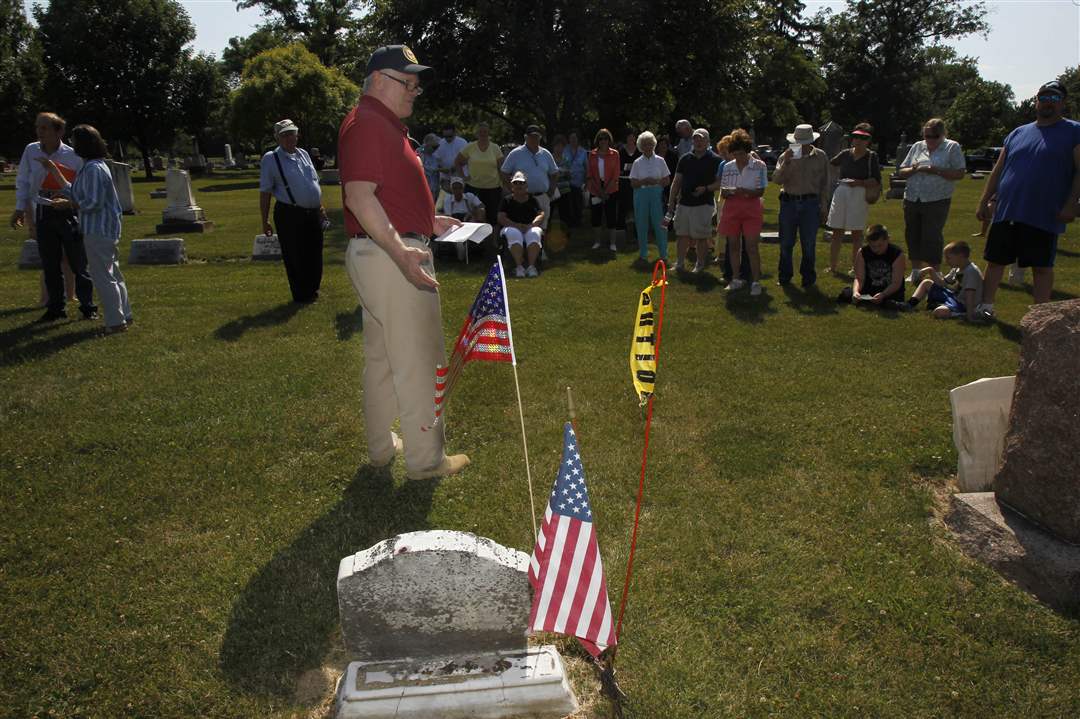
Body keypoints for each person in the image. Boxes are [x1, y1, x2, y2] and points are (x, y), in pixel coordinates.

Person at [338, 44, 469, 480]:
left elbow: (383, 195)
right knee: (419, 358)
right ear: (378, 80)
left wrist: (428, 220)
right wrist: (403, 252)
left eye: (417, 83)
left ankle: (381, 448)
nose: (415, 90)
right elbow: (359, 196)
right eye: (406, 81)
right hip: (391, 257)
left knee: (381, 357)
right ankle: (426, 461)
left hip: (380, 252)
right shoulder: (371, 123)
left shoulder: (379, 125)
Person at [976, 80, 1080, 315]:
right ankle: (986, 307)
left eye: (1054, 99)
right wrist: (984, 200)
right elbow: (999, 170)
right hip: (1008, 208)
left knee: (1041, 266)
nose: (1047, 102)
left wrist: (1071, 204)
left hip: (1044, 210)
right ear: (1036, 101)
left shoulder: (1074, 131)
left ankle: (1039, 317)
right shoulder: (1018, 133)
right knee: (995, 261)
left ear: (1063, 103)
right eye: (1043, 97)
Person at [39, 124, 131, 333]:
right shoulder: (91, 166)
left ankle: (115, 322)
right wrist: (54, 170)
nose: (71, 144)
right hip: (102, 228)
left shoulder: (93, 169)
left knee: (103, 276)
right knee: (113, 273)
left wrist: (68, 205)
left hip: (98, 229)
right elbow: (76, 192)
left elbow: (92, 203)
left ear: (83, 143)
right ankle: (124, 315)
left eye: (74, 140)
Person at [14, 111, 97, 323]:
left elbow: (82, 186)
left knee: (78, 262)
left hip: (68, 210)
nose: (39, 132)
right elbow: (23, 180)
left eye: (44, 128)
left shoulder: (73, 155)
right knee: (50, 263)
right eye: (37, 128)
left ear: (58, 131)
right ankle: (55, 307)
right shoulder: (31, 150)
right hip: (43, 211)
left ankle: (88, 307)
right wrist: (20, 208)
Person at [260, 118, 328, 304]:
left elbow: (312, 182)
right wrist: (264, 220)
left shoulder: (303, 154)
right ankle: (301, 294)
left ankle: (313, 289)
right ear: (277, 138)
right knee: (295, 254)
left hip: (312, 211)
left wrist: (320, 207)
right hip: (290, 213)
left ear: (297, 134)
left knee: (314, 251)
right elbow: (265, 191)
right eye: (284, 135)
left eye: (292, 133)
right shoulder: (271, 159)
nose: (289, 137)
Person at [896, 118, 966, 283]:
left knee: (932, 236)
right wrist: (914, 169)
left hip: (937, 199)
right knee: (912, 233)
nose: (930, 140)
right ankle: (915, 270)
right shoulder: (917, 146)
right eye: (927, 135)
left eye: (934, 136)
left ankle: (935, 272)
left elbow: (960, 173)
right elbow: (902, 171)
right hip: (913, 197)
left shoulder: (952, 147)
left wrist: (937, 171)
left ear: (942, 134)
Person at [710, 129, 767, 295]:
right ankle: (736, 278)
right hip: (732, 207)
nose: (738, 157)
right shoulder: (728, 167)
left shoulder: (759, 166)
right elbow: (724, 190)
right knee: (733, 244)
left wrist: (747, 192)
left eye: (741, 153)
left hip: (751, 208)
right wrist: (728, 192)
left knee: (751, 246)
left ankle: (755, 281)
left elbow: (761, 191)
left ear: (747, 151)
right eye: (735, 154)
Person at [772, 122, 830, 287]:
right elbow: (776, 179)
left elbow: (825, 184)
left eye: (805, 143)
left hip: (811, 204)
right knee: (786, 242)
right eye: (799, 143)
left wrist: (824, 206)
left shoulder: (821, 157)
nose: (802, 146)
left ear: (811, 142)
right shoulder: (786, 156)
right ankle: (784, 277)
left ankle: (808, 278)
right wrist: (786, 163)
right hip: (788, 202)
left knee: (809, 243)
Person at [826, 123, 881, 277]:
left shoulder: (871, 157)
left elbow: (876, 180)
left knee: (856, 232)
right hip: (842, 191)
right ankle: (833, 266)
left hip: (859, 193)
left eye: (862, 137)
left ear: (868, 140)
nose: (858, 140)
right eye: (856, 136)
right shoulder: (845, 154)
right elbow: (830, 163)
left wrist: (860, 183)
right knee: (837, 230)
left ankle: (855, 266)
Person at [668, 128, 721, 273]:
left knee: (701, 236)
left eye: (701, 139)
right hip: (684, 203)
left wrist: (706, 188)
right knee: (681, 234)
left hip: (704, 203)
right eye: (696, 139)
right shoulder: (685, 158)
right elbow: (676, 181)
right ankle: (679, 263)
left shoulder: (715, 160)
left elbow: (720, 183)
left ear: (708, 141)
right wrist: (671, 201)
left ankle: (700, 264)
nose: (698, 142)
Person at [906, 240, 984, 320]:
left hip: (963, 305)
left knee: (940, 312)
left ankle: (960, 314)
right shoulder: (957, 268)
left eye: (948, 258)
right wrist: (930, 270)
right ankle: (910, 304)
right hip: (954, 298)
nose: (946, 262)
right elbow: (942, 283)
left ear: (961, 256)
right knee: (927, 282)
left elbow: (970, 295)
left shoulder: (971, 272)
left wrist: (969, 316)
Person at [500, 125, 558, 230]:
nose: (534, 139)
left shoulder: (546, 154)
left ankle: (541, 247)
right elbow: (504, 172)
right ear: (525, 137)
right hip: (522, 199)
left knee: (542, 228)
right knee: (522, 228)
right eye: (531, 136)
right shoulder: (516, 153)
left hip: (542, 197)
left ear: (540, 137)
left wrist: (551, 191)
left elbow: (554, 173)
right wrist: (512, 189)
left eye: (536, 136)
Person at [838, 224, 908, 310]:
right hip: (869, 289)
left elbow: (896, 283)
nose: (876, 249)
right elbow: (859, 278)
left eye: (880, 245)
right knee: (847, 294)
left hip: (889, 290)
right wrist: (856, 291)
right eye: (873, 246)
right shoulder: (863, 252)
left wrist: (883, 294)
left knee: (890, 303)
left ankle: (889, 303)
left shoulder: (897, 254)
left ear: (887, 240)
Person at [454, 121, 503, 238]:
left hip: (493, 187)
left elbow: (502, 168)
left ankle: (493, 242)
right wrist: (463, 177)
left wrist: (505, 184)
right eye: (480, 132)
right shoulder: (470, 147)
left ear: (488, 133)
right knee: (472, 215)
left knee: (493, 217)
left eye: (485, 132)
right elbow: (457, 162)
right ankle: (472, 242)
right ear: (477, 133)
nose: (483, 134)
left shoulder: (495, 148)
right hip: (473, 187)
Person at [628, 130, 670, 264]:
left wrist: (656, 182)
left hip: (656, 194)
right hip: (641, 194)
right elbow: (633, 183)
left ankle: (663, 253)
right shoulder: (637, 162)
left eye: (650, 144)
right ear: (640, 146)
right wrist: (644, 181)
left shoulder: (660, 160)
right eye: (645, 144)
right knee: (641, 223)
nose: (648, 146)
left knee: (660, 224)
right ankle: (643, 253)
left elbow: (667, 180)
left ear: (654, 144)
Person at [498, 171, 545, 278]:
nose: (518, 185)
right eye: (516, 183)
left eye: (521, 183)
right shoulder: (507, 200)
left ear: (526, 185)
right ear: (512, 185)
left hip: (529, 227)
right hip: (511, 227)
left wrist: (532, 225)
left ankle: (531, 266)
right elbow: (501, 217)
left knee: (535, 234)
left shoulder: (532, 200)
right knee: (514, 234)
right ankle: (519, 267)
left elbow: (541, 214)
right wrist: (515, 225)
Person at [586, 128, 620, 251]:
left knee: (611, 216)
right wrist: (599, 190)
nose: (603, 141)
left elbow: (616, 175)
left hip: (611, 188)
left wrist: (605, 191)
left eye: (605, 138)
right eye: (601, 138)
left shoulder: (615, 154)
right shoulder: (592, 154)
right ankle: (597, 242)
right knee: (596, 217)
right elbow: (589, 174)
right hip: (595, 188)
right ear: (598, 140)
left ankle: (612, 243)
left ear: (609, 140)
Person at [563, 131, 588, 226]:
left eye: (574, 138)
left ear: (578, 139)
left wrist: (586, 180)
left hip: (578, 181)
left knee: (578, 202)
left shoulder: (583, 151)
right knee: (568, 202)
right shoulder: (565, 150)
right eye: (571, 138)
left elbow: (586, 167)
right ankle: (568, 221)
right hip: (566, 180)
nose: (573, 140)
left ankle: (578, 221)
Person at [618, 130, 640, 235]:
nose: (631, 139)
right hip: (624, 182)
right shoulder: (621, 151)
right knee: (623, 206)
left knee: (636, 206)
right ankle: (622, 229)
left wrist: (628, 167)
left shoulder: (639, 151)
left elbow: (639, 167)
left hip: (636, 182)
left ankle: (637, 230)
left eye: (633, 137)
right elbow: (621, 168)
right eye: (629, 137)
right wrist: (630, 167)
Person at [435, 122, 468, 187]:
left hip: (460, 177)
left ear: (454, 133)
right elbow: (436, 160)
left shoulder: (462, 142)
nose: (447, 139)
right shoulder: (440, 143)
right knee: (447, 196)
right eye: (445, 137)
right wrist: (442, 169)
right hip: (446, 179)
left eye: (450, 136)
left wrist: (456, 167)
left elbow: (466, 159)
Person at [419, 133, 441, 199]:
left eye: (437, 147)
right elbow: (421, 168)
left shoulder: (435, 155)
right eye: (434, 147)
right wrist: (437, 169)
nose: (436, 149)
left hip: (434, 189)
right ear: (427, 144)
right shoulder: (419, 153)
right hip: (423, 188)